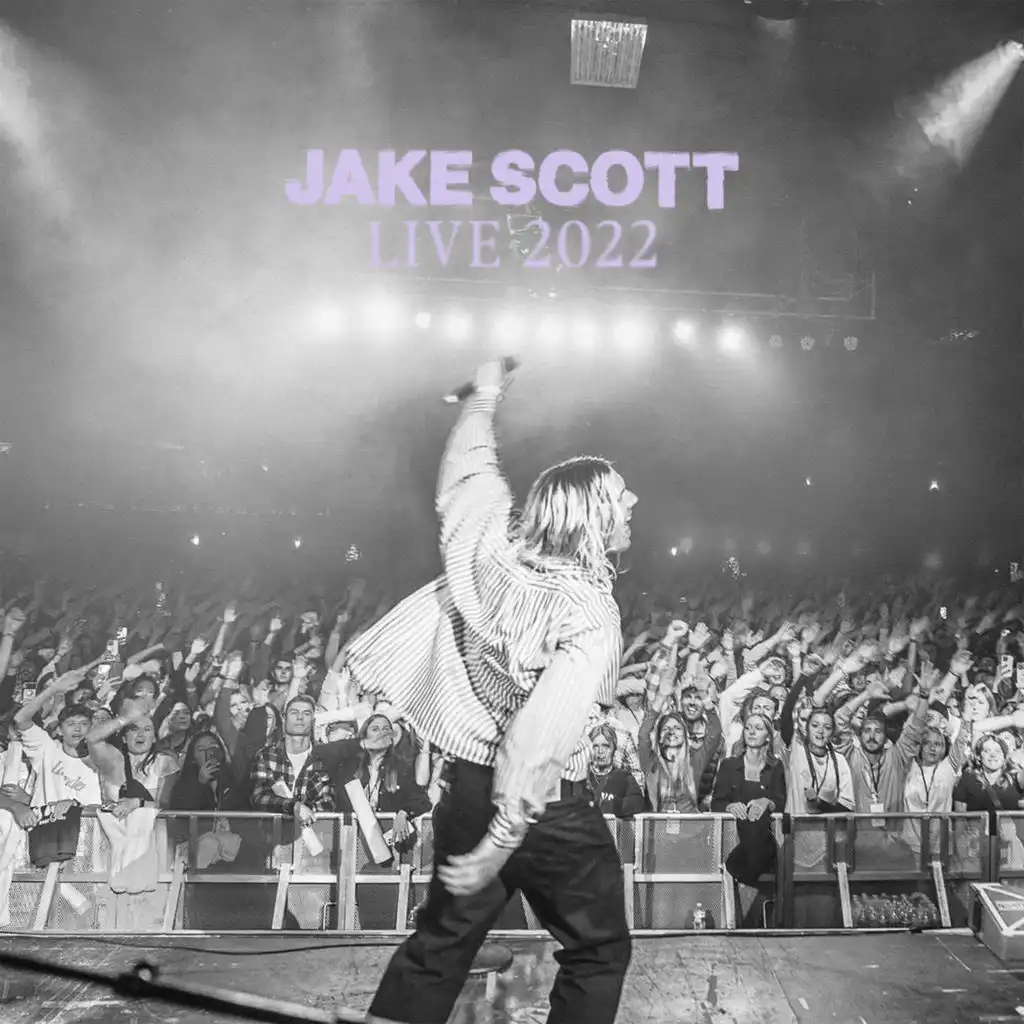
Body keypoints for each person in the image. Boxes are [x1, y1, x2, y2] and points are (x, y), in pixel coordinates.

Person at [346, 360, 636, 1024]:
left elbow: (469, 478)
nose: (633, 503)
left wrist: (482, 400)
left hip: (469, 790)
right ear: (593, 515)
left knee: (440, 946)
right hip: (541, 807)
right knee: (598, 950)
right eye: (620, 496)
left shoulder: (492, 554)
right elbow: (538, 739)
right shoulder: (588, 611)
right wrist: (501, 841)